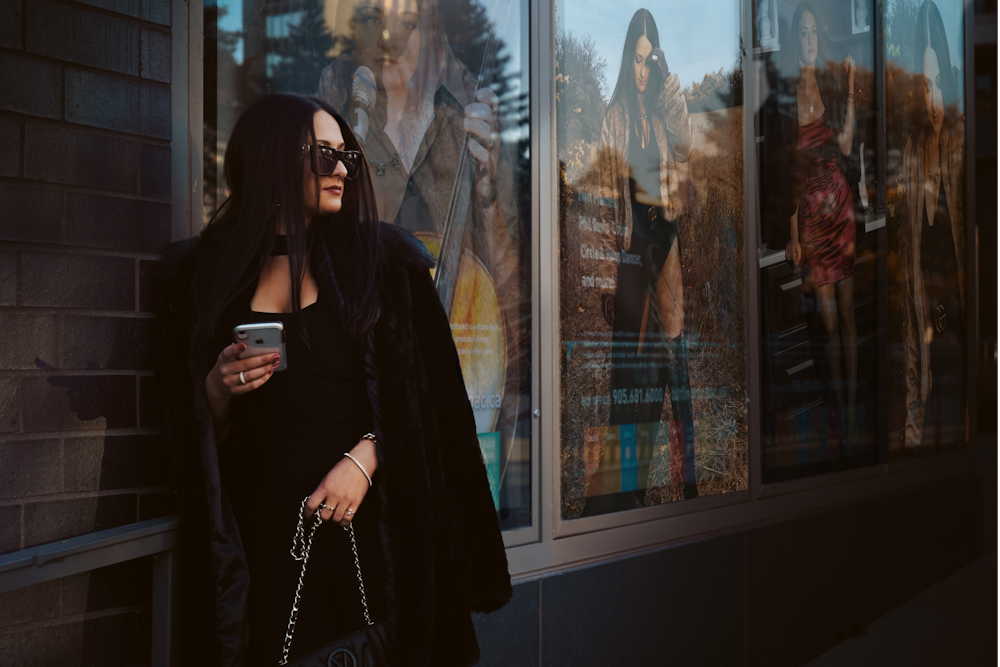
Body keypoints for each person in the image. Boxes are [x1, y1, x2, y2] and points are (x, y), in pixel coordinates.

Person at [156, 93, 511, 666]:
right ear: (273, 158)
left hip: (377, 552)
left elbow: (435, 411)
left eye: (346, 154)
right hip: (267, 558)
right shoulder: (206, 288)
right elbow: (198, 458)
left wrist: (364, 460)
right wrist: (217, 390)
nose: (343, 167)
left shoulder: (385, 269)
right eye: (324, 155)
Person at [317, 0, 527, 458]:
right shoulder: (336, 98)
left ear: (431, 32)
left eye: (408, 25)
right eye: (373, 19)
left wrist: (489, 188)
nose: (390, 40)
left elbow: (508, 273)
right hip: (360, 346)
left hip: (461, 344)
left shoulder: (465, 103)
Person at [586, 8, 697, 512]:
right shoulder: (616, 119)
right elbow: (606, 204)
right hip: (632, 257)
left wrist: (671, 80)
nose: (643, 70)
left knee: (670, 372)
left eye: (651, 61)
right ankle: (624, 492)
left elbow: (688, 144)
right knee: (631, 379)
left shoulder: (663, 111)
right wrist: (609, 276)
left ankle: (684, 482)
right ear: (627, 59)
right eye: (637, 59)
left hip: (666, 252)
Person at [782, 2, 861, 446]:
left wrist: (849, 85)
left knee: (849, 319)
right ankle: (837, 411)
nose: (810, 39)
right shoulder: (789, 93)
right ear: (797, 39)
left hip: (843, 215)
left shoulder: (831, 85)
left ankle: (849, 414)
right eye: (804, 32)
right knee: (829, 326)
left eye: (815, 32)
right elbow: (790, 176)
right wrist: (793, 235)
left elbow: (847, 143)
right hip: (813, 224)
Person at [899, 0, 966, 448]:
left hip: (959, 318)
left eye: (940, 83)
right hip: (927, 319)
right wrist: (910, 429)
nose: (935, 99)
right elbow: (907, 294)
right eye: (925, 86)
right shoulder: (909, 153)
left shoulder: (961, 142)